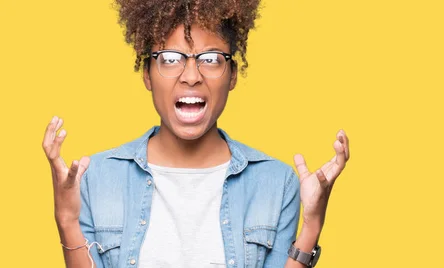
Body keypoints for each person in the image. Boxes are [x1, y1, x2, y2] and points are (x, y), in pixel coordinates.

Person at [41, 0, 350, 267]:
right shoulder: (95, 179)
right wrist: (67, 220)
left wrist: (311, 226)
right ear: (147, 74)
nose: (191, 76)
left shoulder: (277, 184)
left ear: (232, 76)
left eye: (212, 59)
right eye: (171, 59)